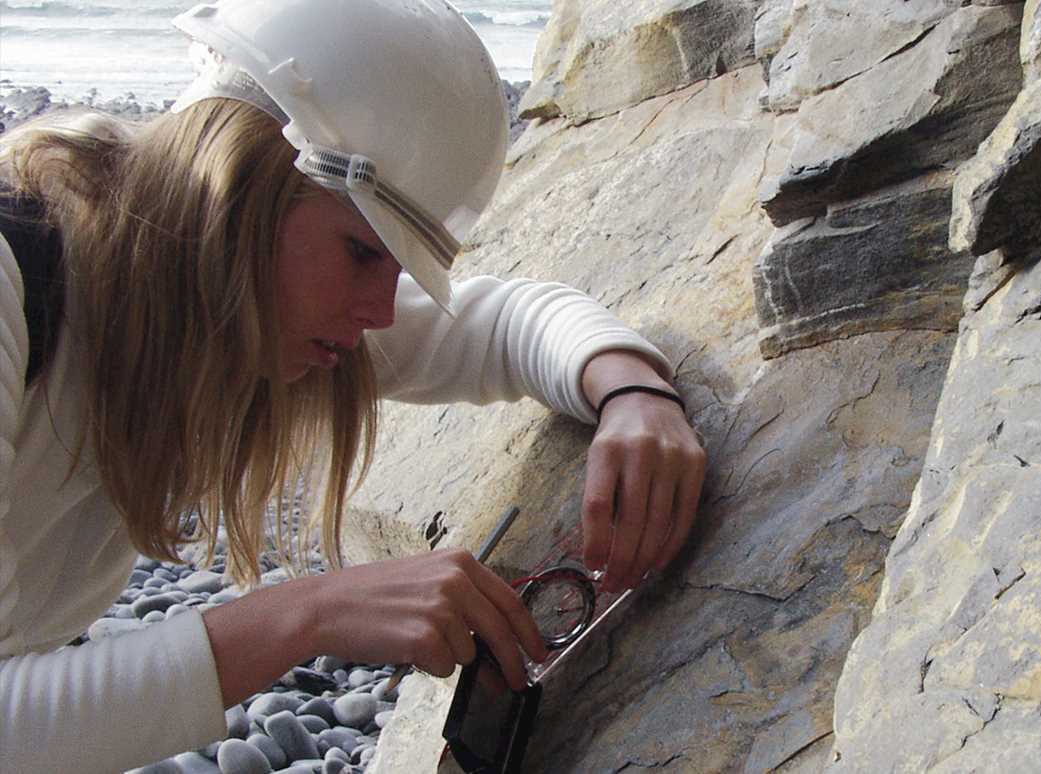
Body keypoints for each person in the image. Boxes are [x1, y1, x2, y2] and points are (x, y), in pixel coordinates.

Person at [0, 0, 706, 771]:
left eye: (396, 269)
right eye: (362, 253)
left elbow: (501, 323)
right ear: (241, 182)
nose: (378, 310)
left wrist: (634, 392)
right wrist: (309, 613)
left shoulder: (211, 296)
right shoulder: (17, 285)